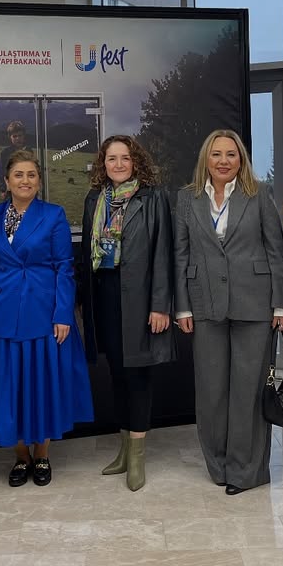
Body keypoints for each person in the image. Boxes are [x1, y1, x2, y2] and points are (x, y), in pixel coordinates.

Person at [174, 130, 283, 495]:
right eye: (216, 154)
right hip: (204, 303)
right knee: (211, 391)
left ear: (241, 159)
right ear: (206, 160)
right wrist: (182, 305)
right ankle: (219, 465)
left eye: (231, 154)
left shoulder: (259, 194)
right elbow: (180, 254)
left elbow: (276, 250)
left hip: (254, 304)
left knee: (248, 390)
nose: (224, 161)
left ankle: (245, 471)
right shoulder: (187, 198)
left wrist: (282, 304)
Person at [0, 150, 93, 487]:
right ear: (6, 181)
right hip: (2, 312)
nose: (25, 180)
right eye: (18, 174)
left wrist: (63, 314)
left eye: (31, 174)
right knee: (10, 385)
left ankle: (42, 454)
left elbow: (64, 267)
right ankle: (21, 456)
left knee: (42, 383)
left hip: (43, 312)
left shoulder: (53, 214)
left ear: (40, 181)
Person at [80, 135, 173, 492]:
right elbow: (86, 254)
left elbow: (163, 252)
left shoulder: (152, 197)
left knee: (137, 375)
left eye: (125, 158)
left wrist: (160, 305)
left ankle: (137, 458)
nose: (118, 164)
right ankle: (122, 451)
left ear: (136, 162)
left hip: (140, 298)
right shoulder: (95, 199)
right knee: (117, 373)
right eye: (111, 158)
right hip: (104, 295)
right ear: (102, 164)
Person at [0, 120, 29, 197]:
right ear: (10, 137)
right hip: (10, 190)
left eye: (20, 135)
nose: (18, 138)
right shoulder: (5, 153)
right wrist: (3, 189)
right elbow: (0, 172)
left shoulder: (29, 151)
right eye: (14, 136)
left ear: (24, 136)